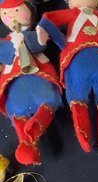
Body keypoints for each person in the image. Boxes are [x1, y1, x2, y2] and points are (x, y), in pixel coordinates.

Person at [36, 0, 98, 152]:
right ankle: (83, 133)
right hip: (76, 54)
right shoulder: (72, 13)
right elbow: (49, 18)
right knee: (78, 92)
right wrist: (49, 34)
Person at [0, 0, 62, 164]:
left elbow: (39, 45)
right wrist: (11, 45)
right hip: (14, 82)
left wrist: (25, 38)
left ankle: (33, 130)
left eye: (16, 10)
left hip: (38, 75)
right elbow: (3, 54)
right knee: (17, 110)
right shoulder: (6, 41)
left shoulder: (32, 34)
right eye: (5, 13)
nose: (11, 15)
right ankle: (26, 142)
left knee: (48, 100)